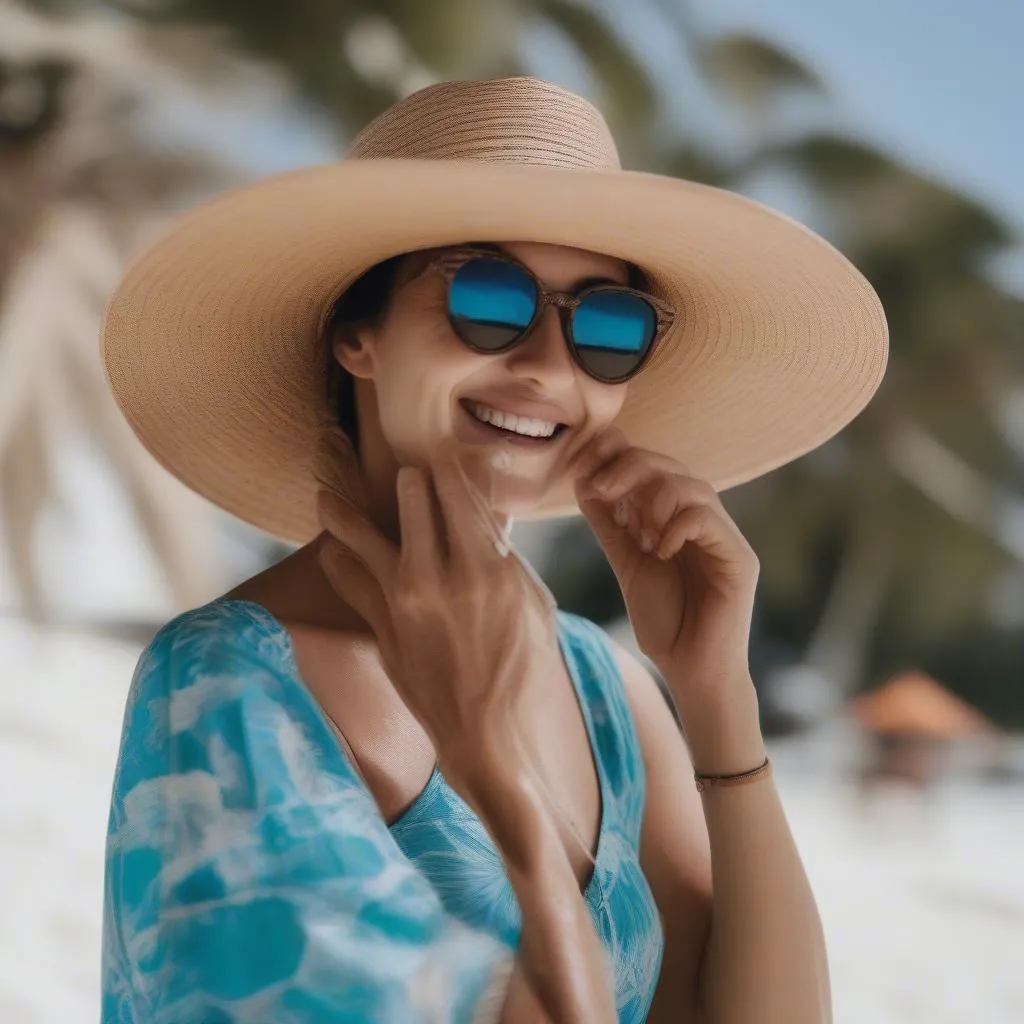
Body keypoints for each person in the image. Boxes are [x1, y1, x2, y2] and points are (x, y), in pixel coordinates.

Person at [99, 77, 887, 1023]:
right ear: (360, 335)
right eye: (488, 297)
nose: (552, 367)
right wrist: (495, 776)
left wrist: (717, 693)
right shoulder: (229, 683)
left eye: (607, 324)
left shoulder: (613, 690)